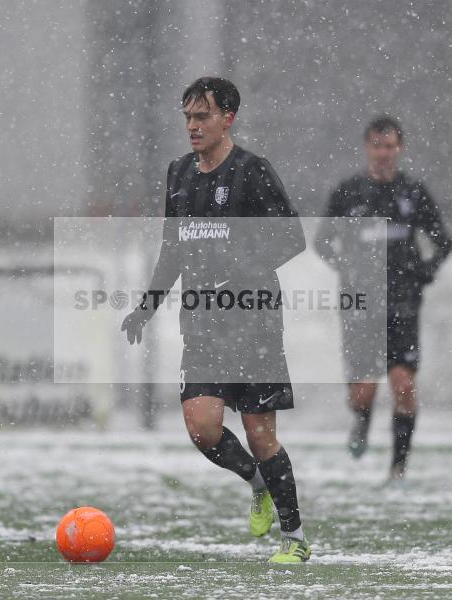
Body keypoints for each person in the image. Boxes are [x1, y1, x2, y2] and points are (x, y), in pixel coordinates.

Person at [121, 77, 310, 563]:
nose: (192, 126)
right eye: (187, 117)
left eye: (201, 116)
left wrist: (236, 267)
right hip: (202, 324)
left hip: (253, 323)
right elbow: (173, 249)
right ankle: (257, 484)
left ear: (228, 118)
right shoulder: (179, 174)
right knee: (201, 427)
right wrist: (146, 307)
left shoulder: (253, 172)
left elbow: (292, 240)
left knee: (260, 434)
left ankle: (295, 539)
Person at [315, 115, 452, 481]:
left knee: (404, 385)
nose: (383, 153)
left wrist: (426, 270)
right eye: (377, 145)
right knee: (363, 391)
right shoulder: (348, 194)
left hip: (403, 304)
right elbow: (322, 242)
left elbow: (444, 241)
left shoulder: (414, 193)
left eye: (389, 146)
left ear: (399, 149)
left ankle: (398, 468)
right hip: (361, 303)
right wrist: (348, 269)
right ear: (367, 148)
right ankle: (361, 420)